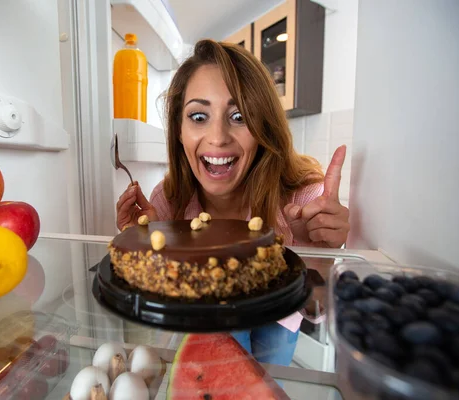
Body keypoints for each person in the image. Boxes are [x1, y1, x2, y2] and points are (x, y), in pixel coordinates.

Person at [115, 39, 350, 366]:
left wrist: (315, 255)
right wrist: (149, 239)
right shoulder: (168, 200)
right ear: (178, 130)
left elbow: (318, 308)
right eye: (198, 116)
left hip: (278, 328)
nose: (218, 137)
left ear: (263, 126)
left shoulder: (305, 199)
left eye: (239, 116)